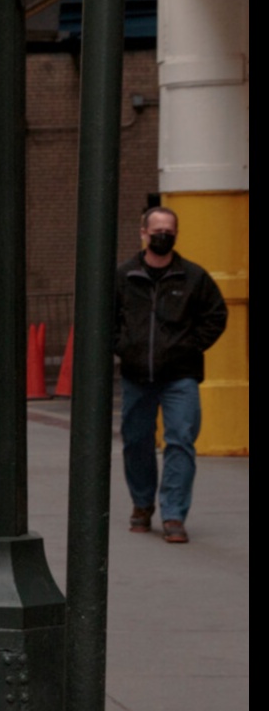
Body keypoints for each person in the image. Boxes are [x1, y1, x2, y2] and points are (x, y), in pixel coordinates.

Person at [115, 204, 227, 545]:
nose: (163, 235)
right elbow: (104, 317)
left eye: (169, 231)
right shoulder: (123, 277)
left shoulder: (194, 277)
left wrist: (190, 347)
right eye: (157, 230)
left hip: (181, 376)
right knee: (137, 442)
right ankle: (142, 504)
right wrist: (124, 347)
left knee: (180, 441)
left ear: (176, 235)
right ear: (143, 234)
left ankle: (174, 514)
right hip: (137, 376)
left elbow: (216, 316)